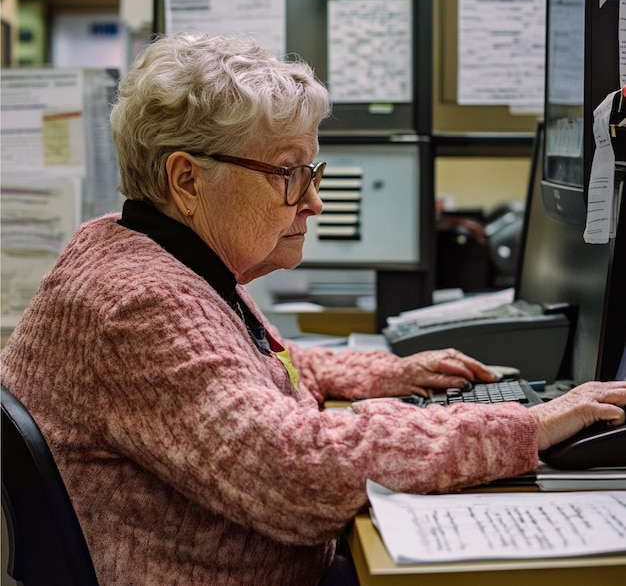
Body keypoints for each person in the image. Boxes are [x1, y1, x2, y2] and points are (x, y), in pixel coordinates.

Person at [1, 32, 625, 586]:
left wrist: (384, 374)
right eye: (289, 174)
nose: (314, 202)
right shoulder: (137, 304)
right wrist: (527, 426)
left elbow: (246, 365)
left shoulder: (137, 249)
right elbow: (295, 470)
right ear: (187, 181)